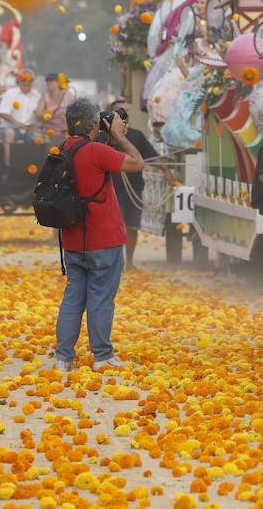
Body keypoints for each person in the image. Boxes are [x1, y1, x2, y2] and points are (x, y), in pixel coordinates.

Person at [54, 99, 145, 372]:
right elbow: (137, 163)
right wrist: (117, 135)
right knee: (101, 297)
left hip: (73, 239)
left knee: (73, 297)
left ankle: (63, 357)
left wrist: (107, 138)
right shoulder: (95, 151)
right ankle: (102, 356)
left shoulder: (64, 149)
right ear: (94, 123)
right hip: (103, 239)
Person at [104, 99, 159, 271]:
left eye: (126, 112)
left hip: (134, 187)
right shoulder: (103, 137)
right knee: (115, 226)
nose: (124, 116)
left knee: (132, 226)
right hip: (112, 189)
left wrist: (167, 171)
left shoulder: (136, 135)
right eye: (120, 112)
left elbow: (152, 157)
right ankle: (115, 262)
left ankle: (129, 262)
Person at [0, 71, 41, 141]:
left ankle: (37, 152)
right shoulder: (10, 93)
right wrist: (18, 124)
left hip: (30, 129)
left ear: (32, 82)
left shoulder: (37, 95)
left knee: (38, 136)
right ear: (18, 82)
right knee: (10, 133)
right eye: (23, 80)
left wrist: (38, 121)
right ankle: (9, 152)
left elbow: (40, 114)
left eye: (29, 80)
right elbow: (2, 113)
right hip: (11, 127)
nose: (26, 82)